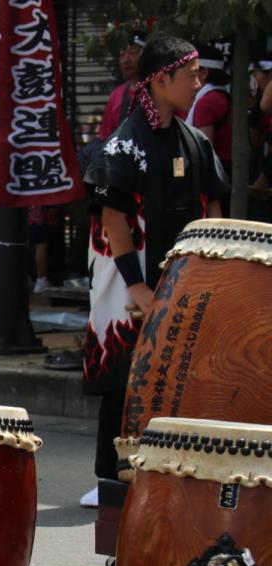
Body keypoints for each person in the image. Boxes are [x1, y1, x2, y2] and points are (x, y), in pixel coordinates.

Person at [81, 36, 228, 508]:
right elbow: (113, 218)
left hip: (183, 274)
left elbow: (216, 205)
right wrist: (137, 283)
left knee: (178, 369)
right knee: (123, 371)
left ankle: (169, 471)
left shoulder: (195, 140)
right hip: (127, 274)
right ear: (161, 79)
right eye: (190, 74)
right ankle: (109, 474)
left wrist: (212, 263)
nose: (197, 82)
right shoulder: (125, 143)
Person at [187, 42, 233, 179]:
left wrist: (178, 175)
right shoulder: (221, 96)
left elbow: (203, 151)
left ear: (203, 73)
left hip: (213, 176)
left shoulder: (207, 102)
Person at [98, 31, 146, 141]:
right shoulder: (116, 96)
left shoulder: (162, 92)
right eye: (122, 54)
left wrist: (178, 159)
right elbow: (105, 139)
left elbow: (177, 146)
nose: (126, 60)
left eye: (132, 53)